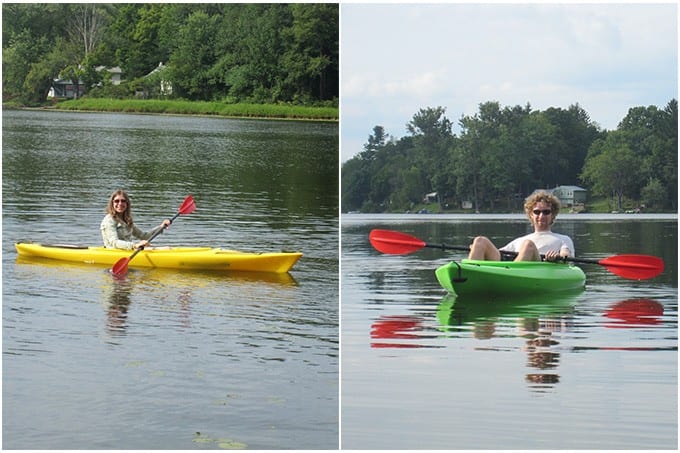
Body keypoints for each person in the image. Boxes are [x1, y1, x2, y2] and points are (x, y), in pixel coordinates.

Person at [468, 191, 574, 262]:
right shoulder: (519, 241)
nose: (541, 216)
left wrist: (558, 257)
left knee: (528, 246)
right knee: (480, 241)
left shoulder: (563, 239)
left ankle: (508, 279)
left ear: (553, 214)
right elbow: (499, 254)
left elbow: (566, 255)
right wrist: (476, 248)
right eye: (537, 212)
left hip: (542, 267)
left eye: (546, 212)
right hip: (512, 267)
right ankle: (467, 274)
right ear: (531, 215)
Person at [101, 189, 171, 250]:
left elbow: (143, 236)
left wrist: (161, 227)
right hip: (115, 251)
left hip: (128, 250)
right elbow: (114, 242)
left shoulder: (126, 220)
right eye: (116, 201)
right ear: (112, 203)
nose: (120, 203)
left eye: (123, 201)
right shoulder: (109, 220)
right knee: (165, 249)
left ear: (127, 203)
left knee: (168, 248)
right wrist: (134, 245)